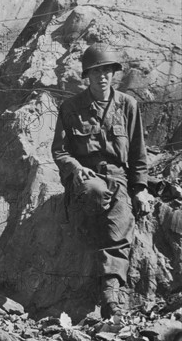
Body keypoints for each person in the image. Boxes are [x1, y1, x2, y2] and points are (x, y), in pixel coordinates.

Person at [52, 43, 154, 318]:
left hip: (118, 176)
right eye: (96, 71)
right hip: (87, 175)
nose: (102, 76)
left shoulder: (127, 105)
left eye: (107, 70)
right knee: (96, 194)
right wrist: (74, 168)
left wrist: (141, 188)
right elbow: (60, 150)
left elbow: (137, 151)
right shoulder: (71, 107)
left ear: (114, 74)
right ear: (87, 75)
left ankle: (111, 294)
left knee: (121, 220)